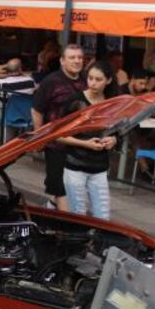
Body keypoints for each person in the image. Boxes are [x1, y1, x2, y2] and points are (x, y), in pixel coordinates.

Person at [31, 43, 88, 210]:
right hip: (56, 142)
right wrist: (38, 136)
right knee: (60, 187)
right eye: (72, 57)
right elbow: (36, 109)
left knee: (72, 187)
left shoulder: (86, 80)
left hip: (79, 143)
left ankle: (51, 209)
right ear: (63, 61)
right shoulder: (51, 81)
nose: (77, 61)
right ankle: (67, 228)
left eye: (79, 58)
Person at [59, 61, 118, 220]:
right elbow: (58, 134)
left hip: (99, 168)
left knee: (103, 217)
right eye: (90, 78)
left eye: (98, 79)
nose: (93, 83)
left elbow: (116, 131)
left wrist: (113, 140)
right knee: (78, 215)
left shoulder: (111, 102)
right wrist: (85, 143)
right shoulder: (75, 101)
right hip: (75, 166)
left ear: (108, 80)